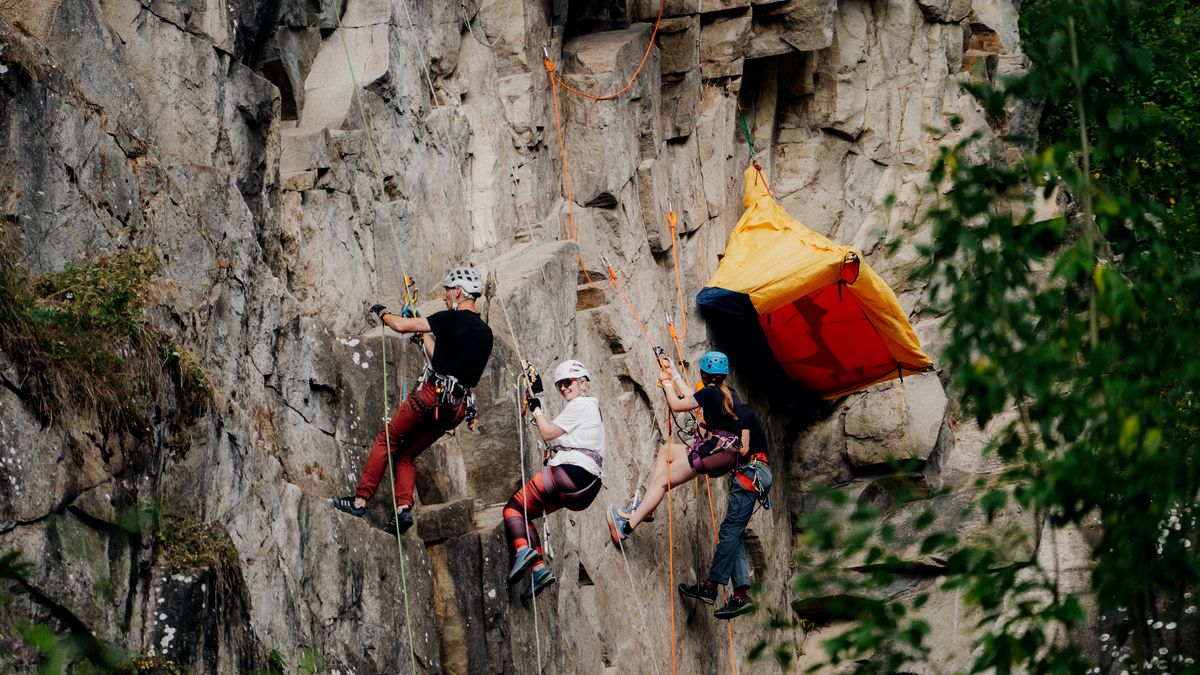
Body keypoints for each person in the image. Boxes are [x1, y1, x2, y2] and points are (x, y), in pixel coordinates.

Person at [606, 350, 771, 618]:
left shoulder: (711, 393)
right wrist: (672, 371)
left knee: (663, 483)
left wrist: (666, 382)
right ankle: (644, 509)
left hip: (715, 452)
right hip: (722, 453)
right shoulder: (729, 394)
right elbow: (695, 400)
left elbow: (677, 404)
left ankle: (626, 526)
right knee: (665, 452)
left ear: (704, 374)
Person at [331, 267, 494, 535]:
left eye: (446, 291)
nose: (444, 297)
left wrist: (384, 313)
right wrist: (425, 334)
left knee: (387, 439)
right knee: (406, 454)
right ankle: (403, 510)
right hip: (453, 408)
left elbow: (400, 325)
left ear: (459, 292)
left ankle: (360, 501)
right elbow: (442, 360)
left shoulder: (451, 319)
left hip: (431, 396)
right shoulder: (485, 335)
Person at [504, 359, 605, 601]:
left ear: (582, 382)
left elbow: (547, 432)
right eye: (560, 384)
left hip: (571, 474)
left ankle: (523, 550)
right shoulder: (590, 408)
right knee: (526, 515)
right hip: (587, 487)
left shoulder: (581, 405)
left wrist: (536, 409)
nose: (563, 388)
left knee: (514, 508)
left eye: (567, 382)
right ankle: (539, 570)